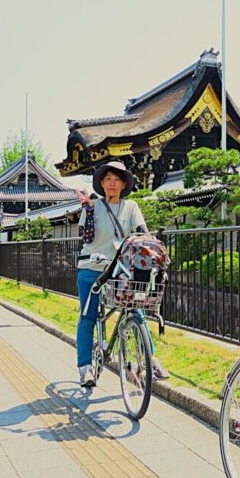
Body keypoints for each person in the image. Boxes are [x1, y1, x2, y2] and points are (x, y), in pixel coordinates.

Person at [75, 161, 169, 387]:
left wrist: (153, 250)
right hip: (92, 267)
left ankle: (151, 358)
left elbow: (142, 233)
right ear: (101, 183)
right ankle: (85, 367)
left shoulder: (132, 207)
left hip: (120, 270)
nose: (112, 183)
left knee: (136, 307)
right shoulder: (92, 206)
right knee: (88, 316)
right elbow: (86, 238)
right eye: (107, 179)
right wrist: (87, 210)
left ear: (124, 184)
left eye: (117, 179)